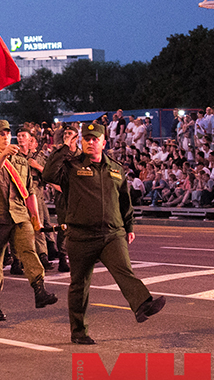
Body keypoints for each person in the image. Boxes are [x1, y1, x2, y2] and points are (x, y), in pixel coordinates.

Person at [42, 123, 166, 345]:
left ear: (103, 142)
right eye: (87, 139)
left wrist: (129, 227)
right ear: (82, 142)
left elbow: (124, 201)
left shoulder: (116, 169)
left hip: (112, 233)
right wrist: (64, 150)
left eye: (95, 139)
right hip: (80, 235)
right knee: (79, 284)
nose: (91, 142)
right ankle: (79, 332)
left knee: (124, 271)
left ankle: (142, 305)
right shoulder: (71, 167)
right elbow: (48, 174)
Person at [0, 119, 57, 320]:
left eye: (7, 133)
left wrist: (36, 218)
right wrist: (3, 154)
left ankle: (39, 290)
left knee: (28, 250)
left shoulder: (20, 159)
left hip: (20, 215)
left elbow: (29, 191)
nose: (5, 136)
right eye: (0, 133)